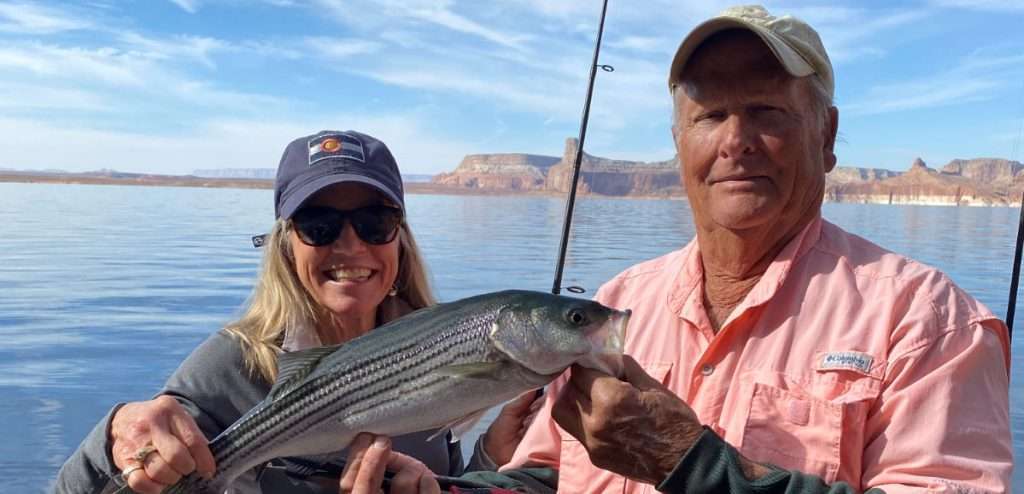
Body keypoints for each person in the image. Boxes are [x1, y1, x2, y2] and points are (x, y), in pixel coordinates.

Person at [490, 5, 1013, 493]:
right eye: (710, 116)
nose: (735, 140)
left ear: (826, 136)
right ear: (678, 141)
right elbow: (548, 472)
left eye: (766, 111)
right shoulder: (618, 300)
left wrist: (689, 462)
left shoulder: (928, 323)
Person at [53, 130, 537, 494]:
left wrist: (491, 454)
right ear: (286, 247)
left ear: (400, 240)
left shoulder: (439, 346)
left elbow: (441, 476)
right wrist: (114, 437)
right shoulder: (231, 367)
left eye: (374, 222)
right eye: (319, 225)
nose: (350, 245)